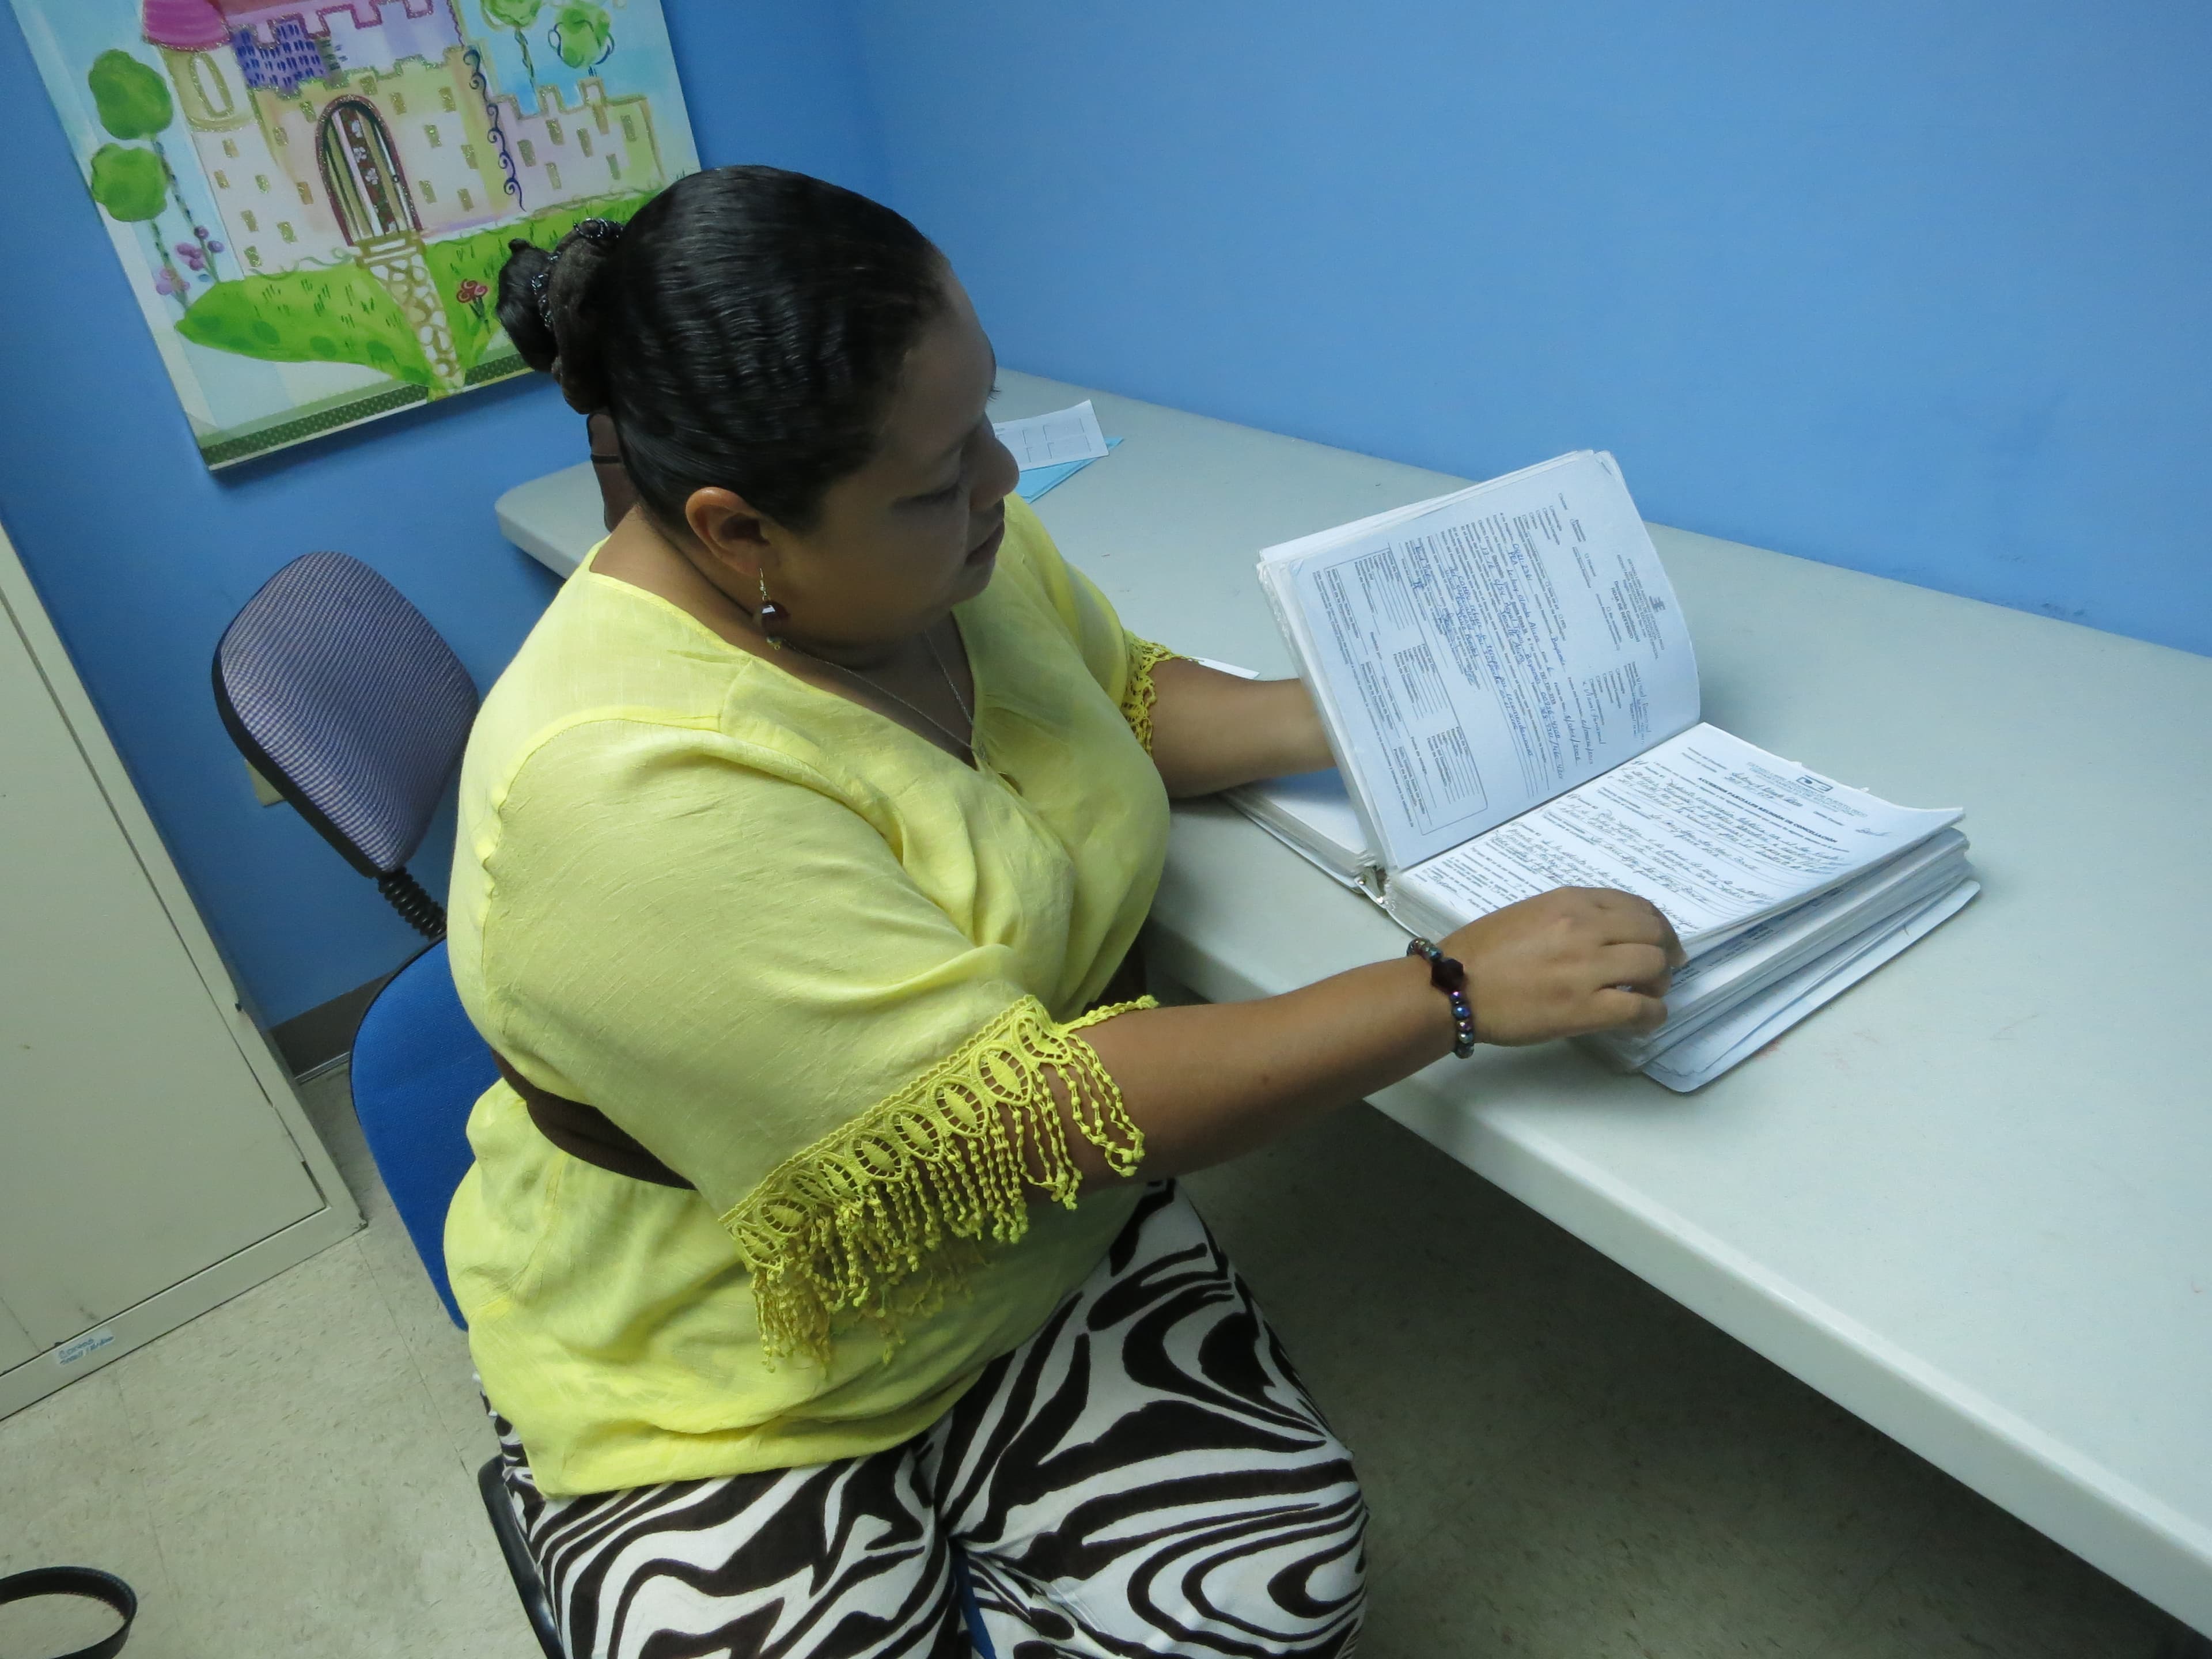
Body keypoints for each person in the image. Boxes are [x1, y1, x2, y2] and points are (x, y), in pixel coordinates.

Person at [448, 165, 1681, 1659]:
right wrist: (1450, 994)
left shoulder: (943, 546)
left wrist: (1407, 718)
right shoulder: (625, 789)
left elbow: (1117, 696)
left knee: (1280, 1590)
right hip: (732, 1359)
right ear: (735, 533)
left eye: (982, 422)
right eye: (935, 477)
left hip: (1028, 1258)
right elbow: (1018, 1122)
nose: (999, 486)